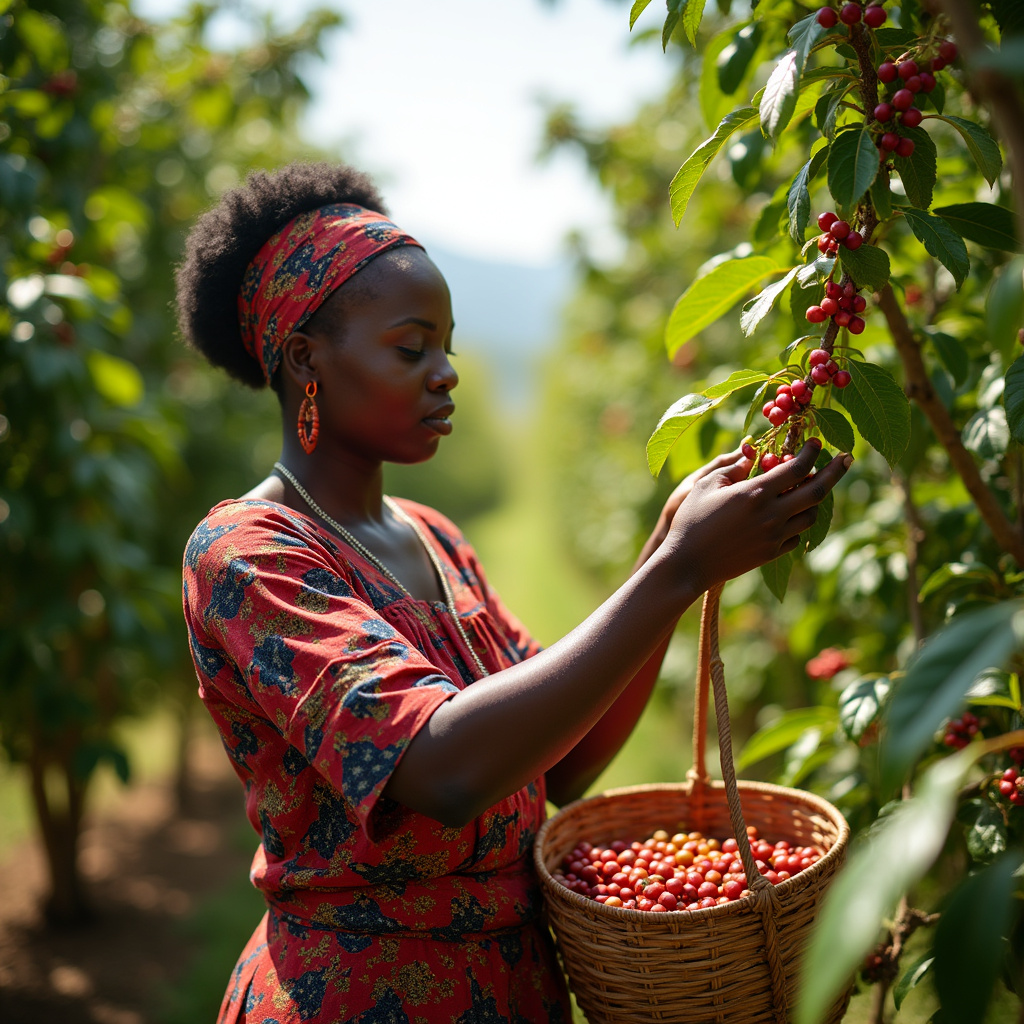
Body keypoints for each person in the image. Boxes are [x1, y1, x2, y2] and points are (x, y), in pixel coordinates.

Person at [176, 162, 851, 1024]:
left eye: (448, 346)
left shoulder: (433, 536)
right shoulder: (246, 553)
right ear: (306, 358)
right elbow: (445, 769)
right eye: (411, 347)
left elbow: (566, 762)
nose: (446, 372)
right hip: (359, 997)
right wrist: (674, 568)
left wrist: (671, 560)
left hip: (520, 988)